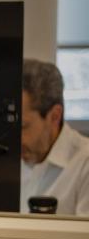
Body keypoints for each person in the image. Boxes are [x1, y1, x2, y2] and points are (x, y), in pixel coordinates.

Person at [20, 58, 89, 216]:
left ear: (54, 116)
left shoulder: (84, 164)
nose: (15, 140)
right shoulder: (5, 159)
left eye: (23, 127)